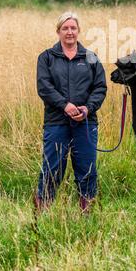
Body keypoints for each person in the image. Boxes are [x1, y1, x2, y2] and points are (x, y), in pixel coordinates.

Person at [34, 11, 107, 214]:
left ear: (79, 31)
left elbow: (100, 87)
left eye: (73, 28)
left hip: (86, 123)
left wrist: (87, 108)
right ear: (58, 31)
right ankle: (42, 214)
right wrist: (65, 106)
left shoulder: (91, 57)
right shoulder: (46, 57)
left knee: (87, 170)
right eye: (65, 28)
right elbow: (44, 87)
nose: (69, 32)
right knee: (52, 169)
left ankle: (87, 214)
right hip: (56, 122)